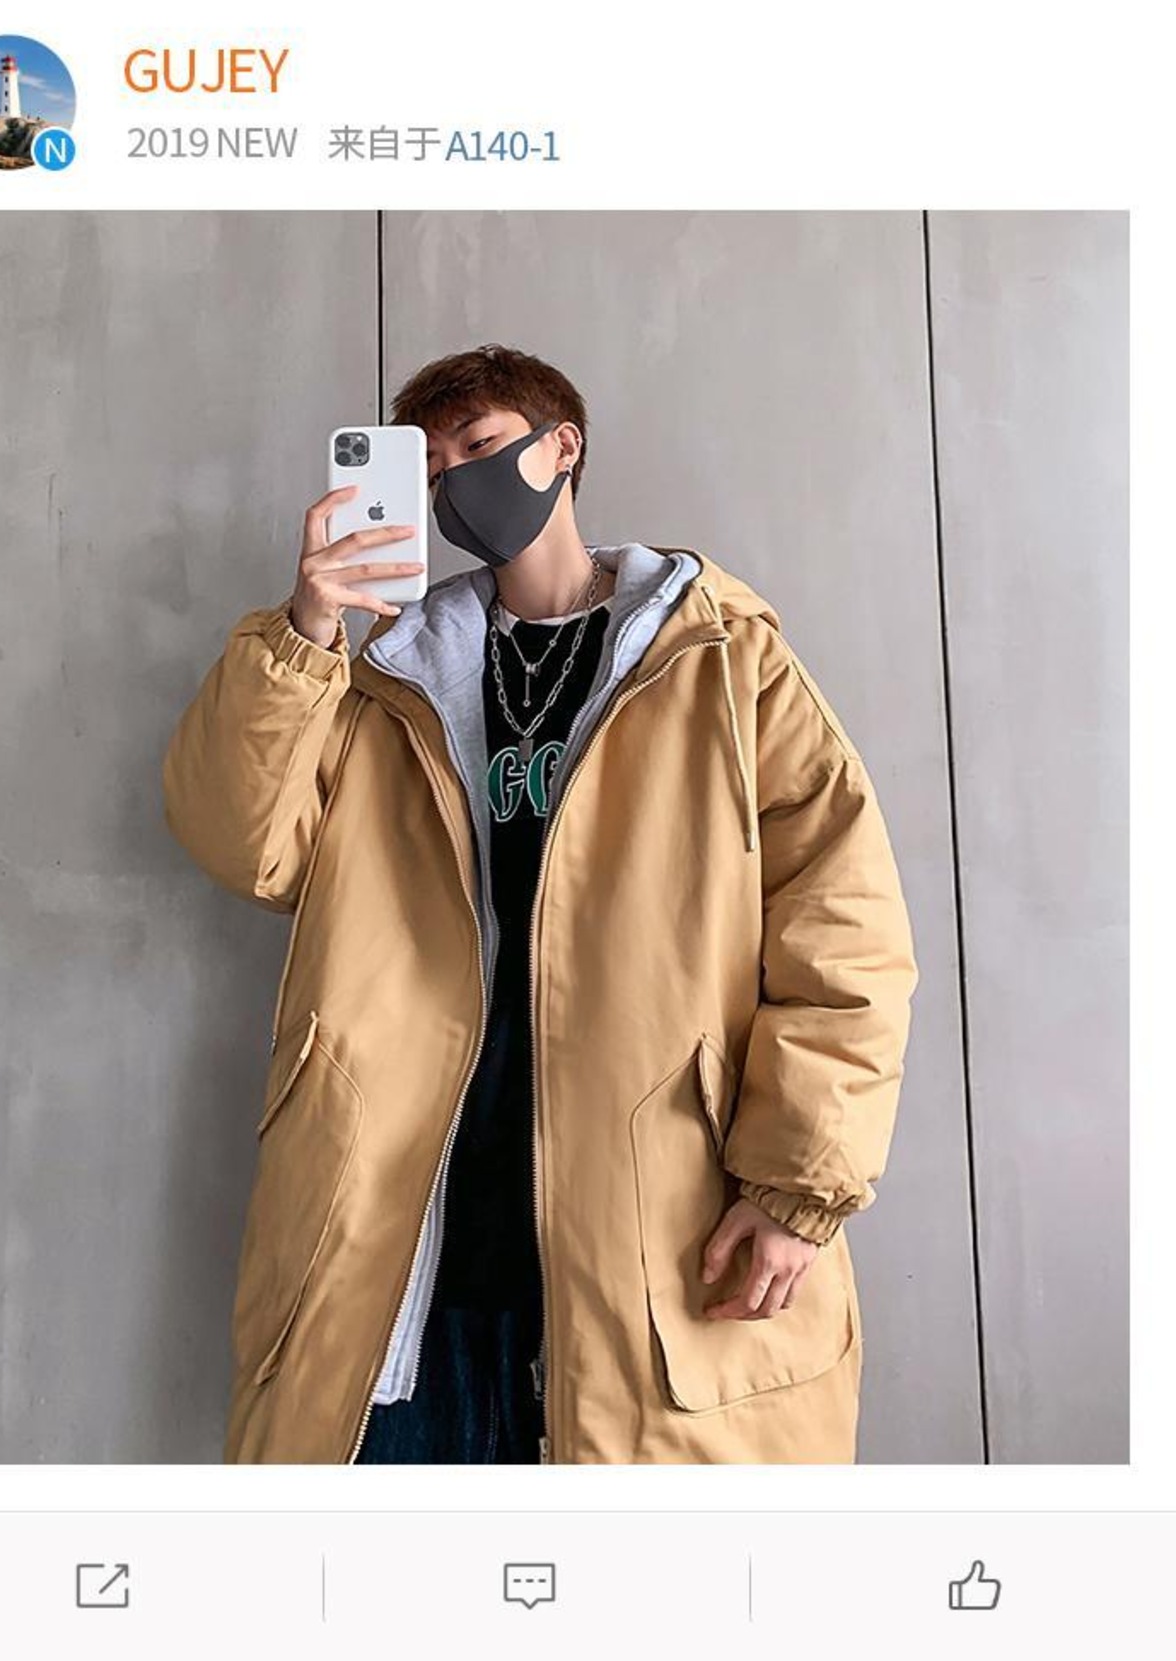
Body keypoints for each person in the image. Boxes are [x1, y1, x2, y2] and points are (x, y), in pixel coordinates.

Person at [161, 343, 919, 1465]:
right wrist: (306, 633)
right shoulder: (387, 681)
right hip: (408, 1247)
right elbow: (245, 845)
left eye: (479, 445)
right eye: (431, 468)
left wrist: (795, 1184)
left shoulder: (720, 660)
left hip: (649, 1233)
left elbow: (844, 929)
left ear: (562, 448)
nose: (457, 481)